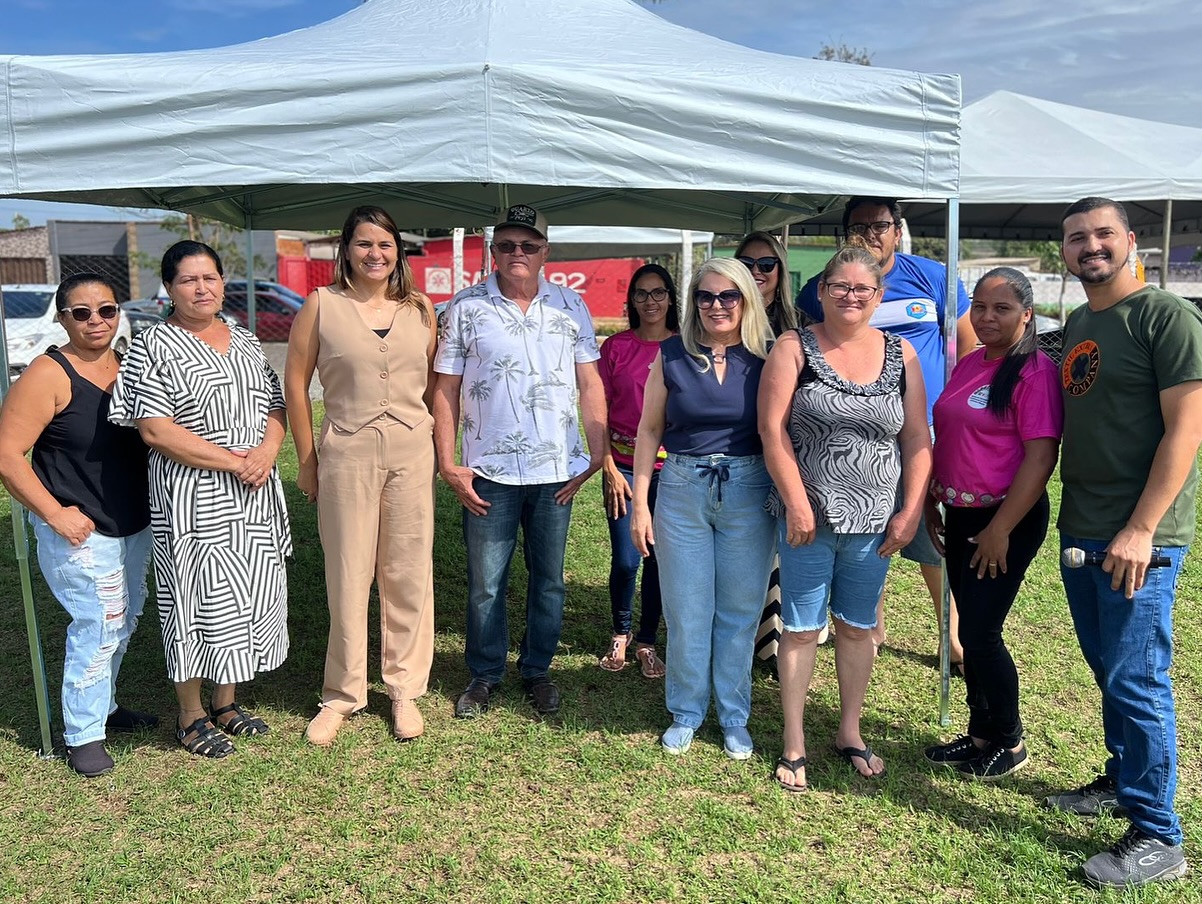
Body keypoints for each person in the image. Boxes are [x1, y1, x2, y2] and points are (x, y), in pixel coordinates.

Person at [1045, 197, 1202, 888]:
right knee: (1110, 667)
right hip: (1082, 523)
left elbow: (1187, 429)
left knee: (1138, 678)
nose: (1091, 247)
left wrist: (1140, 529)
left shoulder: (1166, 317)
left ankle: (1159, 836)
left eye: (1104, 234)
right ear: (1065, 253)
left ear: (1131, 240)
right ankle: (1121, 779)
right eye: (1077, 238)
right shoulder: (1082, 320)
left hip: (1141, 534)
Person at [109, 240, 291, 759]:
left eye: (210, 277)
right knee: (194, 601)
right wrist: (236, 461)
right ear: (168, 288)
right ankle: (190, 715)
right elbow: (156, 431)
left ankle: (226, 702)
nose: (202, 288)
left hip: (252, 495)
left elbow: (275, 404)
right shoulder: (152, 345)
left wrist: (267, 450)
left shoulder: (245, 339)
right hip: (193, 496)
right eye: (188, 280)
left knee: (246, 595)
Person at [760, 240, 929, 789]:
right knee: (803, 629)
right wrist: (797, 503)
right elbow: (772, 431)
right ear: (823, 292)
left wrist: (910, 512)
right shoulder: (794, 347)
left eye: (862, 288)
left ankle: (850, 730)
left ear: (878, 295)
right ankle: (794, 740)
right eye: (840, 287)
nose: (851, 296)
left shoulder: (901, 354)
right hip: (808, 520)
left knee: (858, 629)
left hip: (876, 522)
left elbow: (917, 439)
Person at [433, 205, 607, 718]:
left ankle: (537, 670)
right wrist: (448, 461)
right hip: (489, 471)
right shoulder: (464, 308)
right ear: (492, 252)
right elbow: (444, 390)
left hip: (557, 471)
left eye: (528, 246)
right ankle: (485, 674)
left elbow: (591, 382)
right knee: (487, 583)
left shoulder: (571, 306)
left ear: (545, 253)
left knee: (548, 578)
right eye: (507, 245)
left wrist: (596, 453)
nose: (517, 254)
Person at [798, 197, 976, 667]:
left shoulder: (935, 277)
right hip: (854, 436)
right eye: (858, 226)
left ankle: (951, 635)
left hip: (924, 431)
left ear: (897, 230)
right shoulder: (824, 285)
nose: (869, 233)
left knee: (927, 538)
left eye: (879, 225)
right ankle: (868, 625)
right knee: (865, 531)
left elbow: (969, 348)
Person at [285, 206, 438, 746]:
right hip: (346, 450)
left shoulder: (420, 309)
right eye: (364, 243)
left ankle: (403, 688)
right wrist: (308, 459)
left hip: (412, 450)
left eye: (386, 244)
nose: (376, 254)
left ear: (398, 251)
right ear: (345, 249)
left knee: (407, 569)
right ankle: (343, 694)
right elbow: (296, 384)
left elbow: (435, 383)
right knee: (348, 573)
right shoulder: (321, 306)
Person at [0, 273, 155, 777]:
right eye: (81, 312)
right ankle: (82, 734)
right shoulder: (48, 373)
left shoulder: (129, 364)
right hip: (81, 531)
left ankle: (104, 707)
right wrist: (53, 513)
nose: (96, 321)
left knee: (124, 622)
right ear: (62, 317)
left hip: (132, 523)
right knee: (99, 625)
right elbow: (7, 456)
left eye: (106, 310)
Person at [630, 257, 775, 759]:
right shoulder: (671, 354)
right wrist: (640, 506)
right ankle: (687, 711)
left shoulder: (770, 354)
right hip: (683, 488)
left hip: (749, 490)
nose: (716, 305)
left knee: (738, 611)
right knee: (687, 609)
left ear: (746, 300)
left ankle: (734, 715)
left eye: (728, 296)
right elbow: (650, 430)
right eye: (705, 297)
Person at [922, 268, 1062, 781]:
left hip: (1005, 517)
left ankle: (1009, 738)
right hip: (960, 513)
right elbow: (954, 436)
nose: (986, 317)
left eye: (1001, 308)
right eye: (979, 306)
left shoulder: (1034, 372)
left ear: (1027, 313)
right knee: (972, 626)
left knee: (979, 633)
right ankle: (980, 733)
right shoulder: (970, 364)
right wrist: (935, 497)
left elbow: (1040, 456)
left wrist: (1001, 528)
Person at [596, 264, 677, 678]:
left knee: (659, 559)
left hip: (672, 471)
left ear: (670, 297)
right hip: (622, 467)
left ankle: (646, 640)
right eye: (642, 294)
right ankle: (620, 631)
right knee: (627, 558)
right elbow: (599, 411)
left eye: (658, 292)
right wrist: (607, 466)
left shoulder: (684, 347)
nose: (650, 301)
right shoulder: (615, 348)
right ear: (631, 300)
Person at [735, 231, 808, 660]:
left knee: (786, 551)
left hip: (787, 448)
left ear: (780, 271)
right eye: (748, 263)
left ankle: (779, 647)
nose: (757, 272)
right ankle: (743, 644)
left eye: (767, 264)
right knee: (746, 551)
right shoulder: (725, 313)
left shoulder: (799, 323)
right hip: (738, 449)